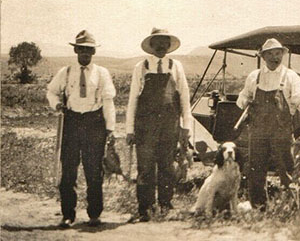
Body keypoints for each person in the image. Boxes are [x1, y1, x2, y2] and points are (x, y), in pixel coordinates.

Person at [46, 30, 117, 228]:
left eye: (89, 49)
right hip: (72, 122)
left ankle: (94, 214)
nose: (85, 53)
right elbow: (51, 92)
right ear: (76, 50)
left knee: (94, 171)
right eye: (82, 49)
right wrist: (57, 105)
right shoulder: (66, 72)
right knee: (68, 170)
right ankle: (68, 215)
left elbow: (108, 101)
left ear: (93, 51)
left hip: (94, 124)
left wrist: (110, 128)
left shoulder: (102, 73)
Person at [235, 38, 300, 209]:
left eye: (278, 53)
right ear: (264, 56)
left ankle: (292, 205)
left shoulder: (290, 77)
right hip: (258, 131)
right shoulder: (254, 77)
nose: (275, 57)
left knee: (286, 168)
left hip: (281, 131)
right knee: (256, 169)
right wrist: (245, 101)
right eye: (271, 54)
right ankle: (258, 206)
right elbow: (242, 98)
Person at [125, 28, 192, 222]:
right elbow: (132, 100)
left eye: (165, 43)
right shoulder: (142, 66)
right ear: (151, 45)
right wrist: (130, 130)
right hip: (145, 127)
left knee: (166, 166)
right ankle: (145, 209)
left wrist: (185, 126)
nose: (162, 46)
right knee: (145, 168)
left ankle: (165, 205)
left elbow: (185, 97)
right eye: (158, 43)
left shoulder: (175, 66)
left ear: (169, 46)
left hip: (169, 126)